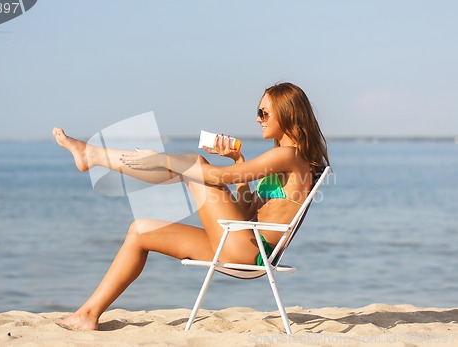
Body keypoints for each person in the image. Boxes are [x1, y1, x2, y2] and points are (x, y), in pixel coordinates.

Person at [52, 82, 330, 331]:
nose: (258, 119)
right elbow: (245, 214)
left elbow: (218, 178)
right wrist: (238, 160)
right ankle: (87, 314)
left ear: (288, 112)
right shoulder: (287, 159)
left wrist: (163, 160)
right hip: (241, 243)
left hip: (248, 254)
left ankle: (93, 155)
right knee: (140, 231)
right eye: (258, 112)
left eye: (264, 113)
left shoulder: (288, 156)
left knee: (196, 165)